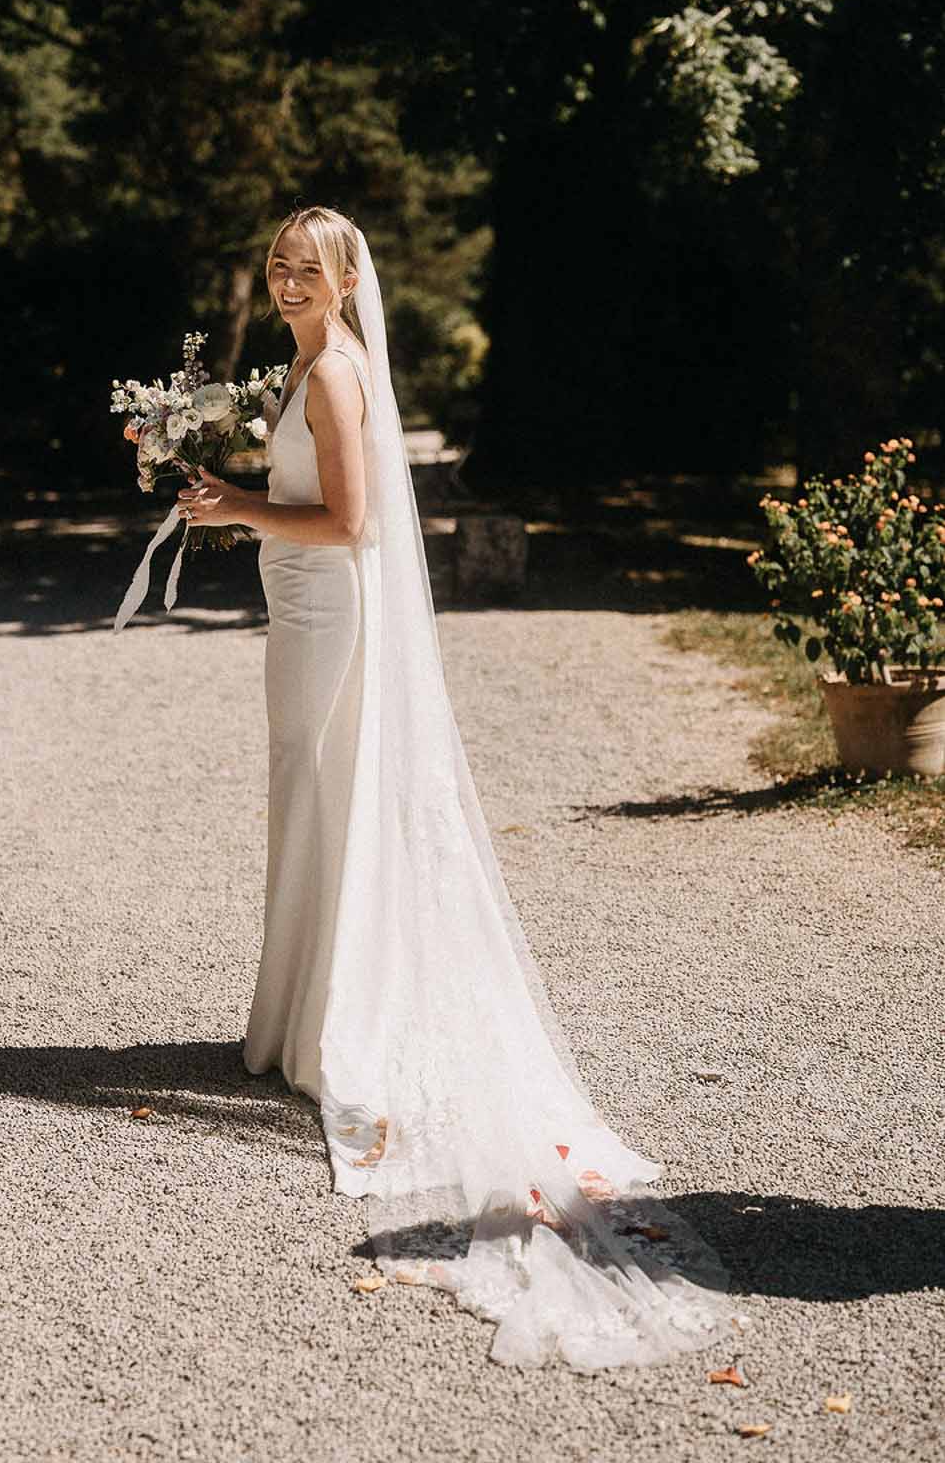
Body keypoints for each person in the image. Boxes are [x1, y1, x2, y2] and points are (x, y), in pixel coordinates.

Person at [176, 205, 738, 1370]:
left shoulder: (333, 369)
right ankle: (302, 1016)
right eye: (278, 266)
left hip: (326, 612)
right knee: (311, 801)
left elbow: (349, 521)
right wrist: (237, 496)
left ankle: (333, 1023)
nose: (289, 282)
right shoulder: (312, 362)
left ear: (346, 279)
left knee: (325, 794)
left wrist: (238, 509)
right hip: (305, 606)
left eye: (308, 269)